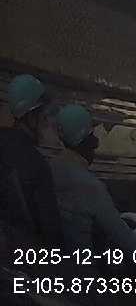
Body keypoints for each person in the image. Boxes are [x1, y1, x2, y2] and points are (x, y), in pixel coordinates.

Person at [49, 104, 136, 257]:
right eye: (92, 137)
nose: (96, 144)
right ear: (86, 141)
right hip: (85, 268)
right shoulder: (90, 186)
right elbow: (130, 245)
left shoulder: (52, 167)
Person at [0, 74, 64, 249]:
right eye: (44, 116)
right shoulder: (36, 163)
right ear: (31, 117)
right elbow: (51, 230)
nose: (47, 122)